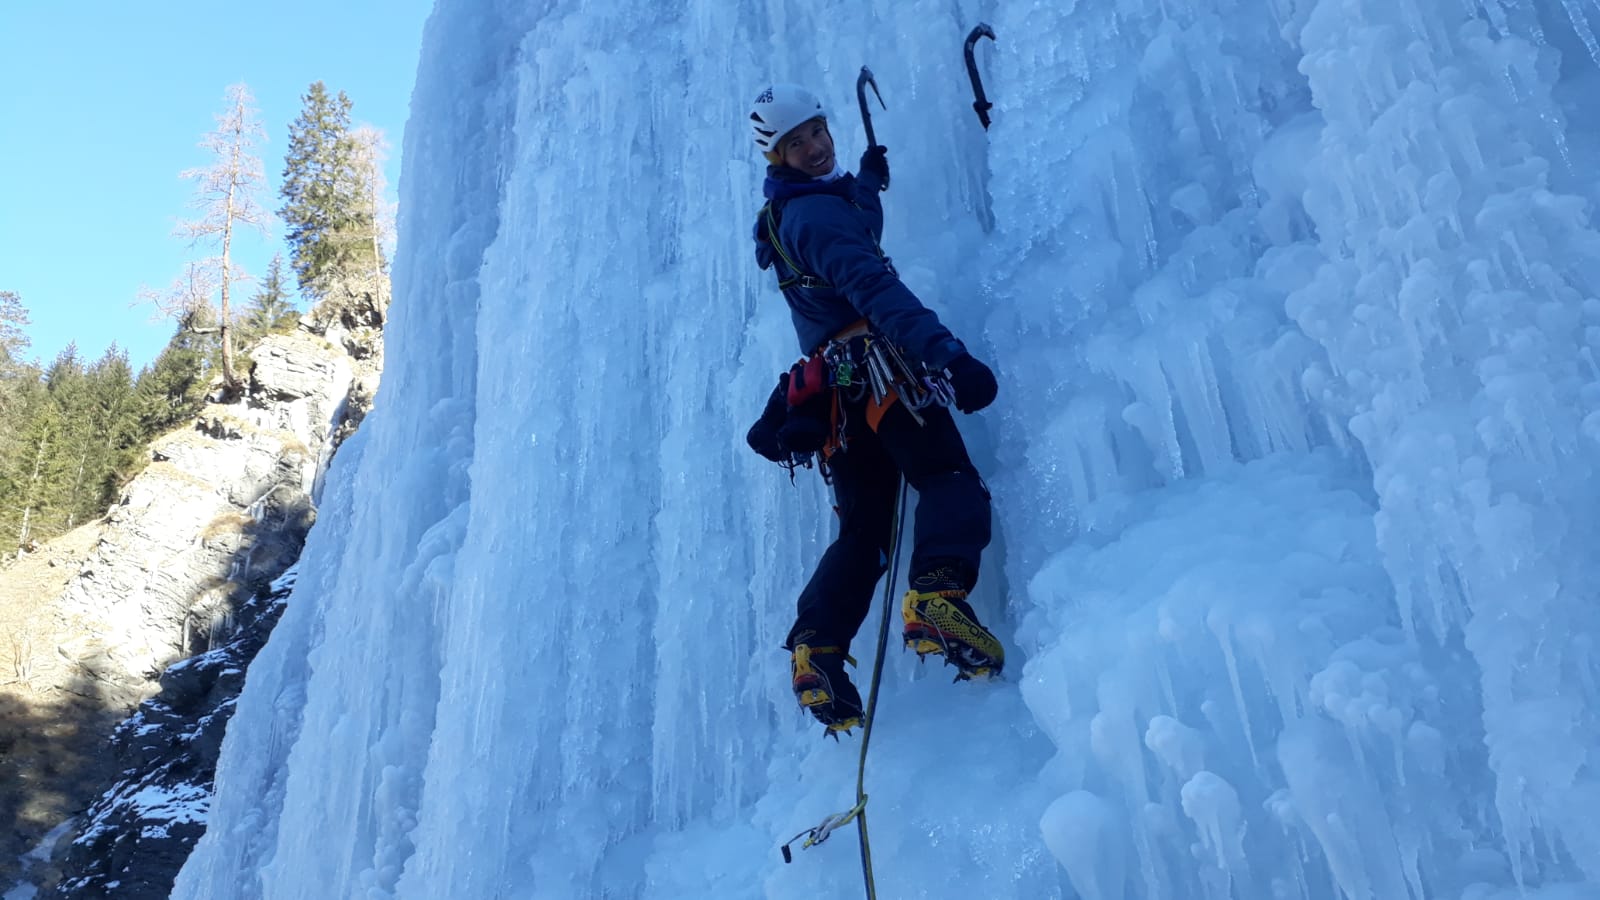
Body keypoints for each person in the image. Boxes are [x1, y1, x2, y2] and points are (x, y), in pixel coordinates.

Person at [743, 83, 1004, 737]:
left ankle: (817, 649)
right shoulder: (817, 217)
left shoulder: (791, 213)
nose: (814, 146)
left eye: (818, 130)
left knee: (866, 532)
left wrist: (866, 185)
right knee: (947, 479)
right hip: (884, 371)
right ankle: (937, 596)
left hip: (836, 392)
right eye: (796, 142)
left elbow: (848, 239)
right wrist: (946, 356)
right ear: (776, 156)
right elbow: (873, 284)